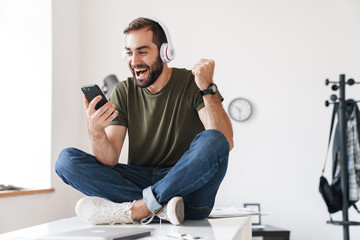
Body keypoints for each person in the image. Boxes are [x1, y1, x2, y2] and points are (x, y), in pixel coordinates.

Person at [55, 17, 234, 226]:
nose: (134, 61)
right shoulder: (123, 91)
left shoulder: (192, 83)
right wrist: (95, 129)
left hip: (187, 187)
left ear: (165, 52)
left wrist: (206, 87)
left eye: (142, 51)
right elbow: (109, 159)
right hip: (141, 181)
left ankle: (140, 208)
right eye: (129, 53)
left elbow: (224, 141)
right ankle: (159, 207)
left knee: (213, 139)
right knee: (66, 161)